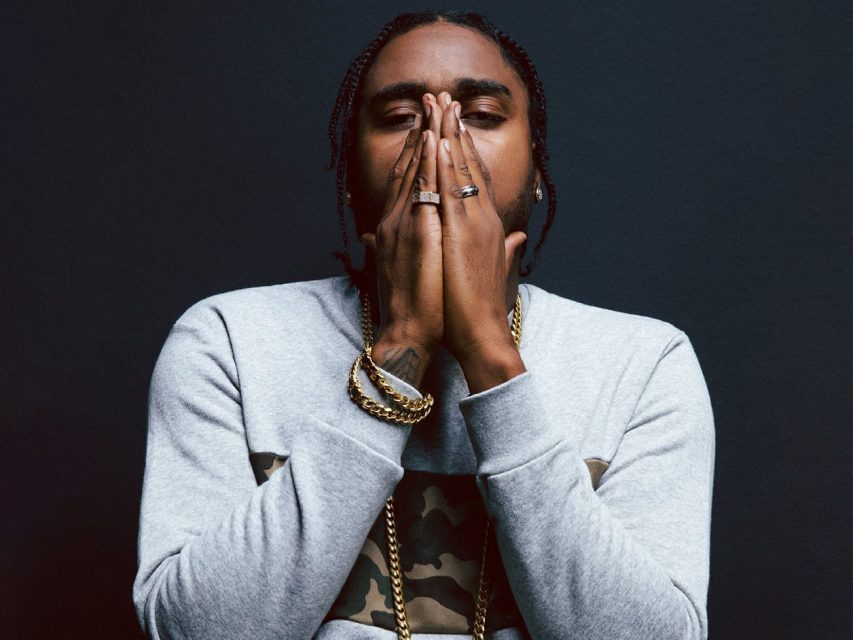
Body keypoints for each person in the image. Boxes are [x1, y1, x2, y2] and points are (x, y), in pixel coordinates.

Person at [132, 10, 715, 640]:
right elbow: (193, 630)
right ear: (351, 177)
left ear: (538, 173)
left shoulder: (643, 362)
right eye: (400, 118)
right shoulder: (228, 342)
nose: (440, 144)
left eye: (482, 115)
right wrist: (401, 344)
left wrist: (490, 353)